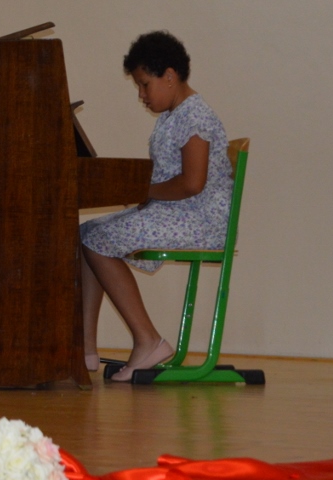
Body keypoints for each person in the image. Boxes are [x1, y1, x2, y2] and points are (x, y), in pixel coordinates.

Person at [80, 31, 232, 382]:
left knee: (96, 240)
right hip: (175, 213)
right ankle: (85, 347)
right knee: (86, 233)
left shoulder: (195, 116)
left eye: (144, 85)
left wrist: (144, 192)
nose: (141, 95)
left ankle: (148, 340)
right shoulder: (172, 116)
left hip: (198, 220)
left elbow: (192, 183)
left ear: (170, 75)